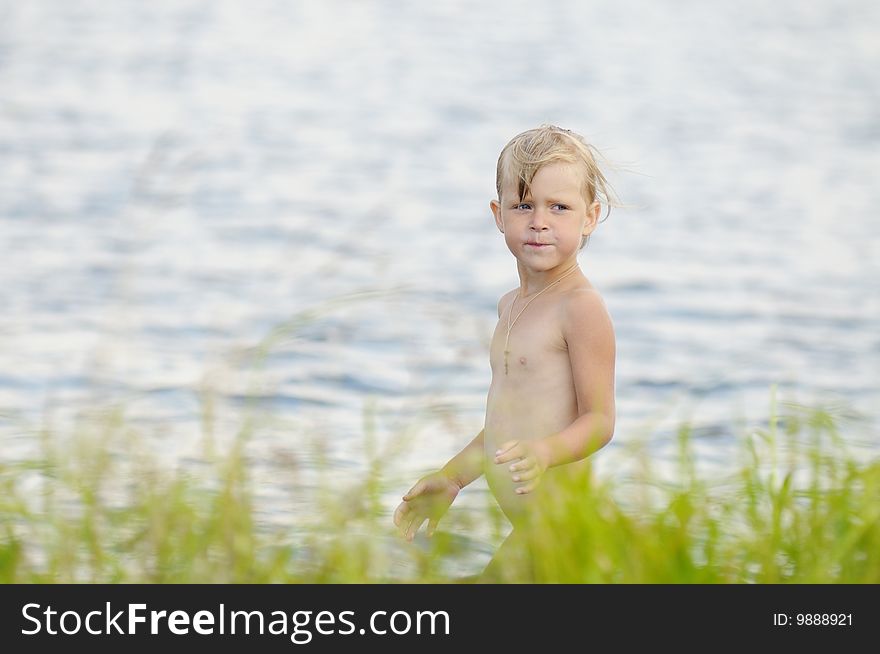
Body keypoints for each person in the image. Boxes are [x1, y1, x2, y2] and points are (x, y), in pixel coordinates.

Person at [393, 124, 617, 582]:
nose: (539, 221)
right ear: (499, 214)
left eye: (559, 207)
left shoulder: (581, 308)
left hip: (561, 527)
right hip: (531, 529)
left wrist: (545, 453)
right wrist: (453, 478)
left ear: (590, 217)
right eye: (523, 205)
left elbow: (600, 421)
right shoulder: (510, 306)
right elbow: (502, 426)